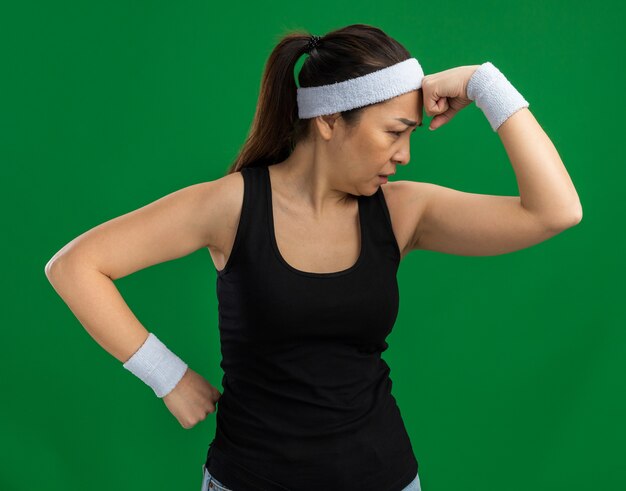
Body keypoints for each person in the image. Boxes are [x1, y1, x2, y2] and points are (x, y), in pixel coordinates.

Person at [44, 23, 582, 491]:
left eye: (411, 134)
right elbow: (75, 266)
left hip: (386, 477)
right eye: (395, 131)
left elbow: (555, 211)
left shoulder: (400, 211)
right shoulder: (232, 205)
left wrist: (482, 83)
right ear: (328, 121)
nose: (405, 154)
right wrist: (167, 375)